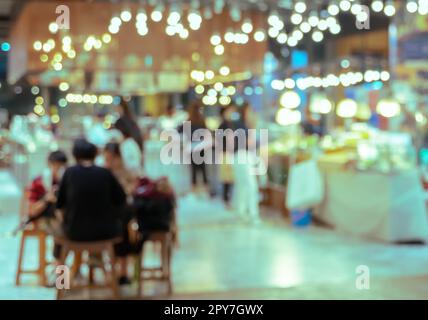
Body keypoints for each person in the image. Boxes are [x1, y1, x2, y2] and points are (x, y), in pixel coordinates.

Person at [56, 138, 126, 243]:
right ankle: (101, 258)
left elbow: (60, 204)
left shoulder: (69, 173)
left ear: (75, 155)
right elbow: (121, 199)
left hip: (74, 233)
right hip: (106, 232)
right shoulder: (105, 173)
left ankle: (58, 257)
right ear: (95, 155)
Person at [104, 142, 138, 285]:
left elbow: (134, 188)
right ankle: (119, 270)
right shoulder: (104, 173)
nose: (109, 162)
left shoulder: (126, 171)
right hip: (109, 215)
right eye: (107, 158)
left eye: (111, 158)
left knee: (124, 227)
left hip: (121, 214)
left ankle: (122, 270)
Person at [26, 150, 68, 232]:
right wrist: (47, 199)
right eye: (56, 165)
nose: (58, 169)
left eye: (61, 166)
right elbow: (32, 211)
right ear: (49, 164)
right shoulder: (38, 182)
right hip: (44, 217)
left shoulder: (67, 181)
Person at [180, 101, 210, 193]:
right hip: (201, 147)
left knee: (193, 169)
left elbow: (182, 132)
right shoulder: (201, 120)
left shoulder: (188, 121)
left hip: (192, 147)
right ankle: (205, 190)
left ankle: (194, 191)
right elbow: (206, 133)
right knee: (203, 168)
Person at [216, 106, 236, 207]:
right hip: (226, 153)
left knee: (228, 177)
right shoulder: (224, 125)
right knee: (227, 177)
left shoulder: (226, 124)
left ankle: (227, 198)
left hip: (226, 153)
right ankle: (226, 199)